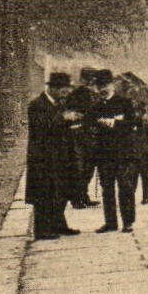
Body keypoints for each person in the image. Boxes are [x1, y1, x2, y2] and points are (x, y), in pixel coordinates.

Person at [25, 72, 83, 240]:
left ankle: (59, 224)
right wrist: (63, 118)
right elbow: (42, 127)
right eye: (64, 90)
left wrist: (71, 123)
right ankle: (42, 230)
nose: (66, 94)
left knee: (60, 191)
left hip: (59, 155)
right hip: (43, 157)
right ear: (53, 89)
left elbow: (58, 125)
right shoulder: (37, 105)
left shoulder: (58, 105)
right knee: (44, 193)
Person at [89, 69, 141, 232]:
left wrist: (114, 124)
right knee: (107, 189)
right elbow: (89, 125)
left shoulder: (124, 103)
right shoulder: (96, 106)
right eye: (99, 86)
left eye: (104, 85)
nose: (102, 89)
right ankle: (110, 222)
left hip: (123, 153)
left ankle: (128, 222)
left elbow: (133, 124)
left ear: (112, 85)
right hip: (104, 154)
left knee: (125, 187)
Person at [64, 68, 99, 208]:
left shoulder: (93, 94)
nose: (91, 82)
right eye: (89, 79)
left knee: (89, 166)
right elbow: (69, 113)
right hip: (78, 135)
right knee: (79, 167)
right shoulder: (75, 94)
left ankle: (84, 195)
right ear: (84, 79)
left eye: (93, 80)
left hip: (90, 134)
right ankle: (75, 198)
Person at [132, 102, 148, 204]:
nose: (137, 115)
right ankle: (132, 196)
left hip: (143, 155)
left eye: (140, 113)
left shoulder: (146, 126)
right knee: (134, 177)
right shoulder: (130, 126)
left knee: (143, 176)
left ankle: (145, 196)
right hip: (135, 154)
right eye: (135, 113)